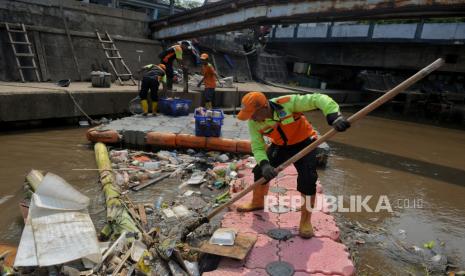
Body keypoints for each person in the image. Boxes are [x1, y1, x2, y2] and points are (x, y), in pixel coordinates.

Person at [236, 91, 350, 238]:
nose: (251, 118)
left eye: (253, 114)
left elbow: (318, 99)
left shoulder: (287, 103)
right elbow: (258, 146)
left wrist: (334, 115)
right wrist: (264, 165)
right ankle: (257, 202)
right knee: (259, 172)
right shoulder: (254, 123)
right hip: (280, 146)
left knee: (308, 179)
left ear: (264, 108)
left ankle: (305, 220)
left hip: (305, 143)